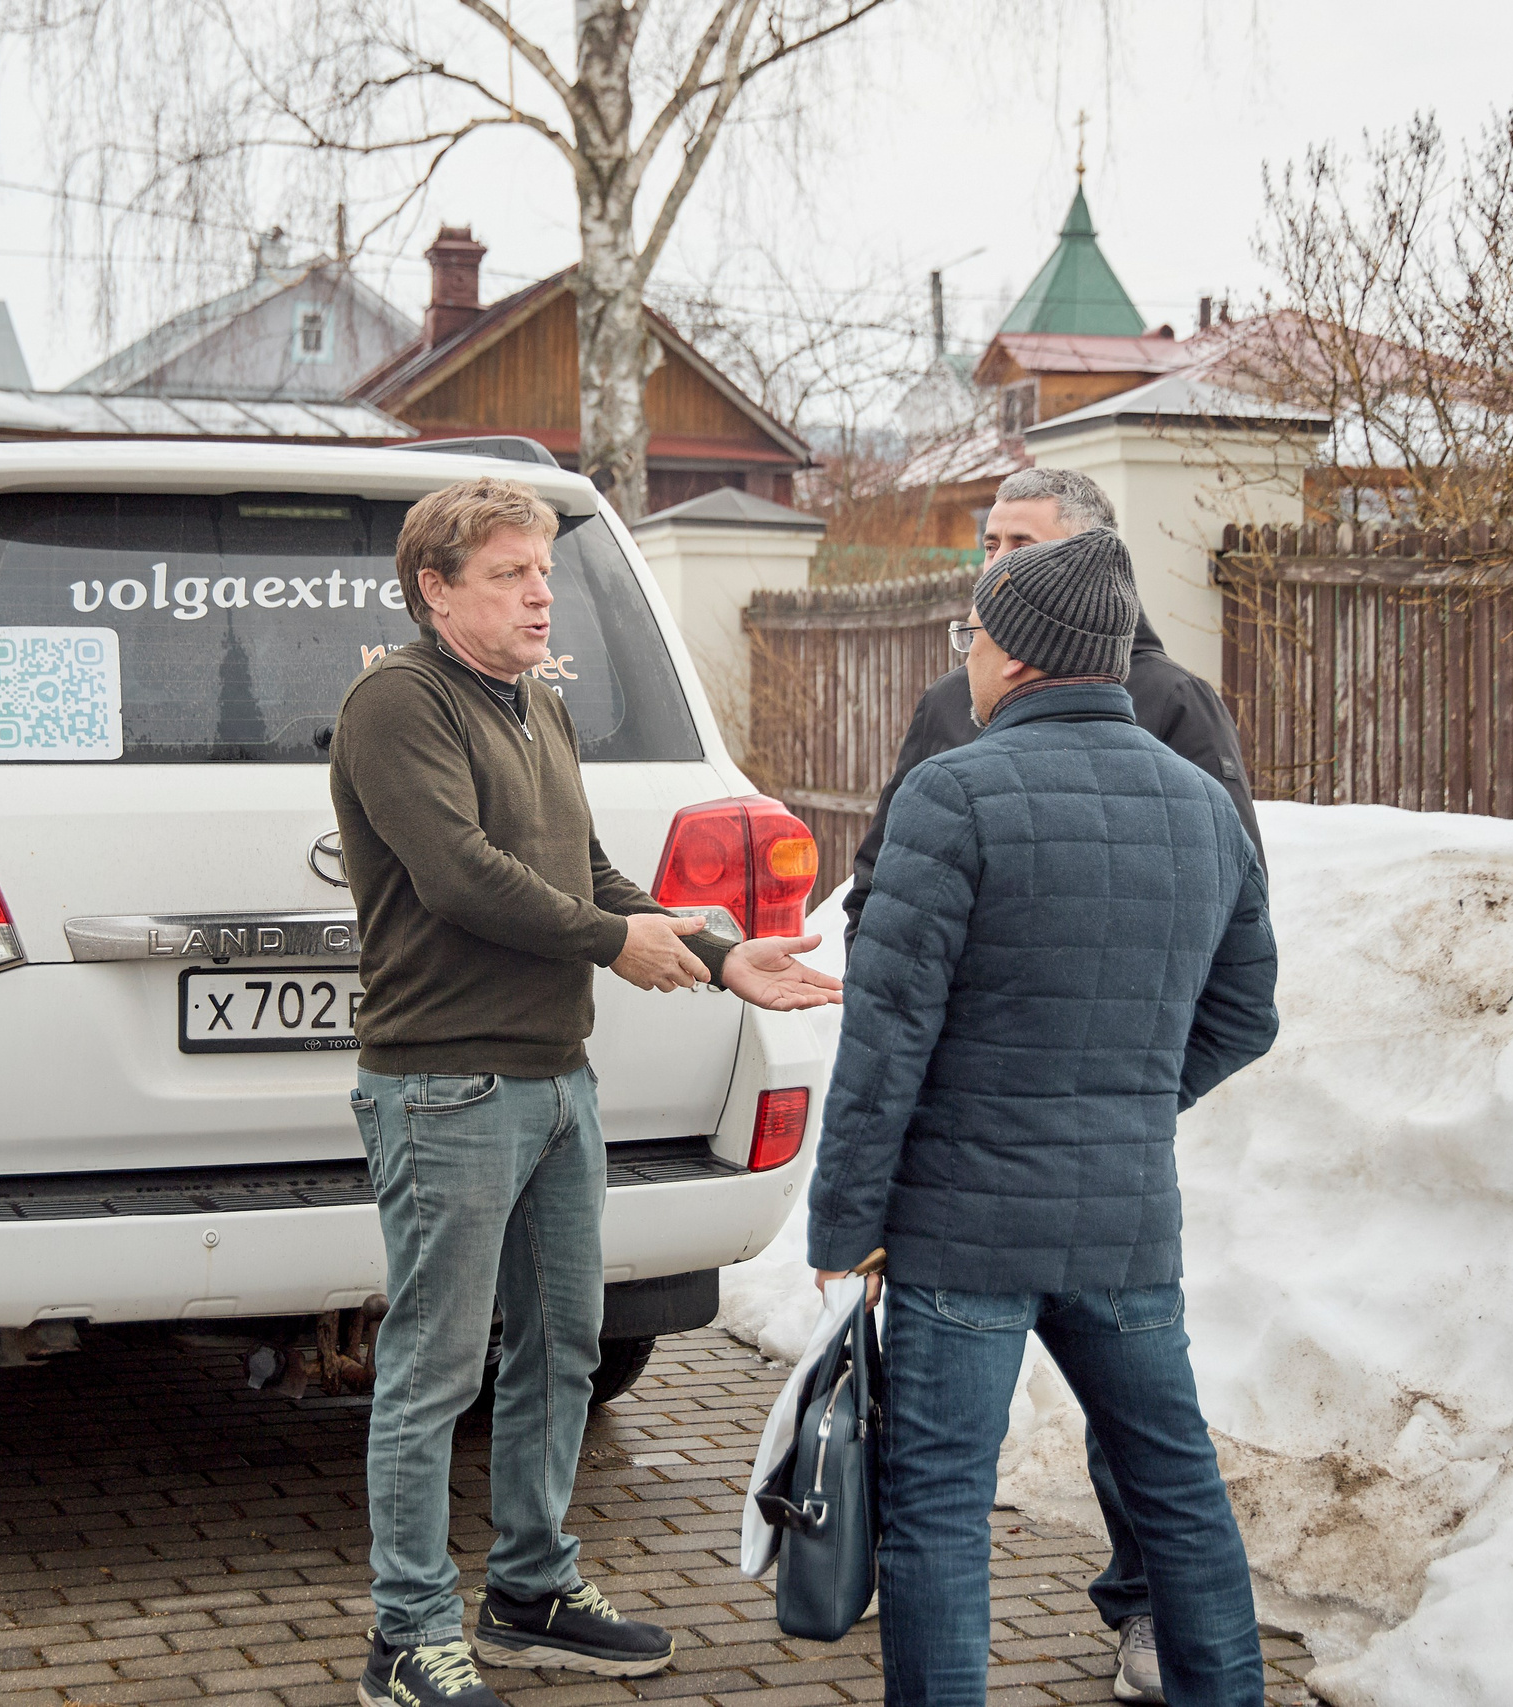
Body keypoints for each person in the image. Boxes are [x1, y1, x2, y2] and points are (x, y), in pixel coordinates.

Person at [329, 474, 842, 1707]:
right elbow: (463, 876)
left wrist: (717, 953)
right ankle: (404, 1635)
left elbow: (588, 869)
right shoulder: (396, 703)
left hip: (557, 1082)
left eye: (544, 574)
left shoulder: (532, 706)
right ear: (435, 589)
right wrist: (618, 948)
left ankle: (531, 1588)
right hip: (445, 1085)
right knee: (432, 1367)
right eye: (509, 574)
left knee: (561, 1344)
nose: (538, 595)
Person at [808, 527, 1279, 1707]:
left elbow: (885, 1040)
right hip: (1121, 1222)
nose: (963, 653)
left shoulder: (951, 794)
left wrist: (840, 1227)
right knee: (1177, 1492)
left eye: (970, 632)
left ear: (1012, 653)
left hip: (960, 1230)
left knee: (939, 1514)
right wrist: (1115, 1106)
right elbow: (1245, 1014)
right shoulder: (1203, 806)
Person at [844, 466, 1262, 959]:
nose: (997, 562)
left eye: (1022, 544)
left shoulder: (1175, 699)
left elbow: (1233, 897)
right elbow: (881, 877)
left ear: (1088, 558)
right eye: (991, 544)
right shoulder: (949, 698)